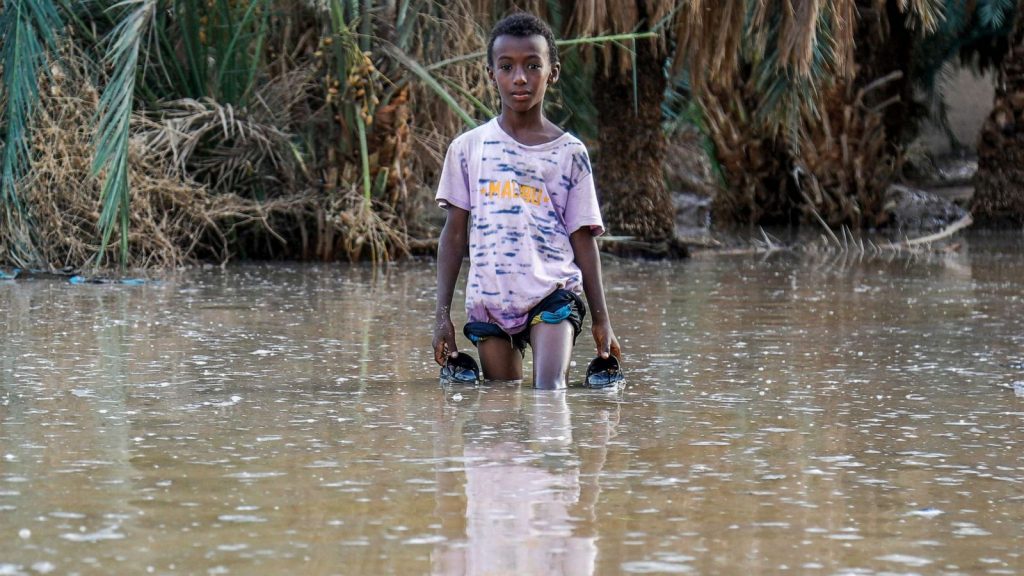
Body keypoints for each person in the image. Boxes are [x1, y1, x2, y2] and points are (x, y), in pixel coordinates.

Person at [431, 11, 620, 389]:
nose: (520, 78)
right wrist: (441, 316)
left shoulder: (570, 153)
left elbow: (583, 239)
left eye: (533, 65)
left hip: (552, 292)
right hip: (490, 298)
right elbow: (454, 237)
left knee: (550, 391)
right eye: (507, 66)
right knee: (501, 401)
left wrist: (602, 318)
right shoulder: (468, 149)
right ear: (491, 73)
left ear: (553, 72)